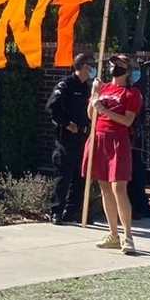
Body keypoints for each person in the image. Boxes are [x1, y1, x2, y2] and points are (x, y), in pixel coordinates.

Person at [84, 54, 143, 255]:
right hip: (98, 138)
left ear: (127, 69)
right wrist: (94, 95)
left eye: (118, 64)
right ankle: (113, 235)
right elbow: (91, 116)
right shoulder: (103, 88)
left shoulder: (132, 93)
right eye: (112, 63)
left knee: (119, 188)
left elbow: (127, 121)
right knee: (104, 188)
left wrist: (104, 109)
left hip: (117, 141)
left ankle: (128, 237)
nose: (113, 66)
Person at [46, 53, 93, 224]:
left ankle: (72, 211)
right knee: (63, 176)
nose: (92, 68)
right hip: (66, 138)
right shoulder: (65, 85)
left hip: (83, 137)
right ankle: (56, 211)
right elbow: (52, 107)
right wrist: (66, 124)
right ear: (81, 66)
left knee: (80, 177)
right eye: (90, 65)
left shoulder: (86, 87)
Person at [126, 97, 150, 221]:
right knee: (129, 177)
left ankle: (141, 206)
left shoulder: (135, 93)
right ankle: (133, 208)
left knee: (139, 176)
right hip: (126, 140)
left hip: (136, 139)